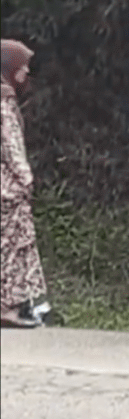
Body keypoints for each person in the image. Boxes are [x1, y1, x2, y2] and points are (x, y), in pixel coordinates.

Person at [1, 39, 49, 328]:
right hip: (8, 190)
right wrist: (26, 179)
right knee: (10, 248)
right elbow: (11, 145)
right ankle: (7, 307)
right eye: (23, 68)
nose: (26, 74)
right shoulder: (3, 101)